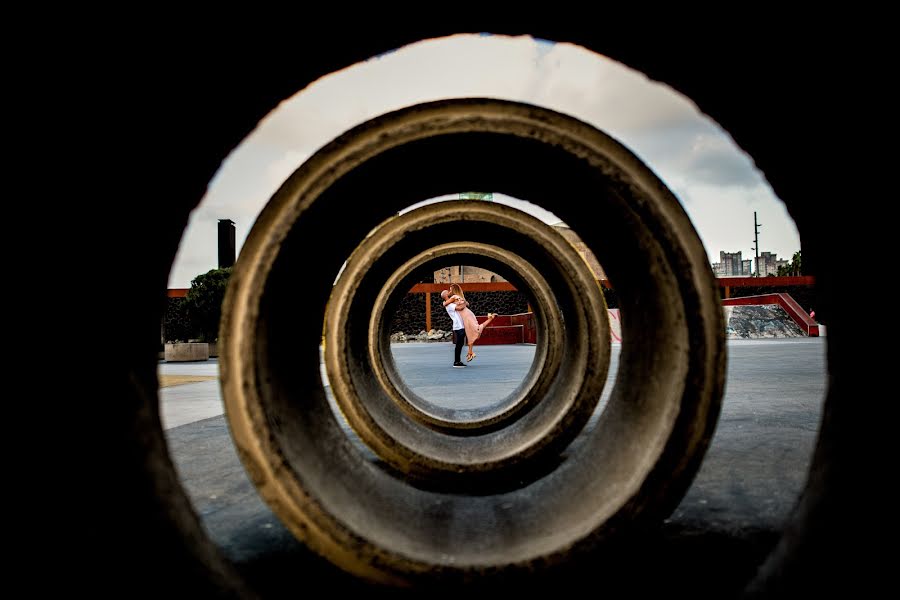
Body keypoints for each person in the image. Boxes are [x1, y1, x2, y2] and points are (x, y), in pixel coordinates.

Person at [444, 283, 498, 362]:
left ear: (454, 290)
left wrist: (444, 303)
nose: (449, 291)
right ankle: (470, 352)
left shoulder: (453, 298)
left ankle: (467, 354)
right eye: (448, 290)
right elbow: (464, 304)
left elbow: (457, 306)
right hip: (468, 314)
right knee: (472, 331)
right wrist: (464, 302)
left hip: (466, 315)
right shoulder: (457, 298)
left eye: (450, 290)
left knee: (473, 331)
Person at [441, 289, 468, 368]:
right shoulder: (449, 305)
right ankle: (456, 362)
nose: (450, 292)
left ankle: (457, 361)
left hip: (460, 326)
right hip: (458, 326)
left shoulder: (451, 303)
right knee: (459, 344)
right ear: (446, 295)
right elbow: (460, 308)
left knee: (460, 344)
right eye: (448, 292)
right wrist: (465, 303)